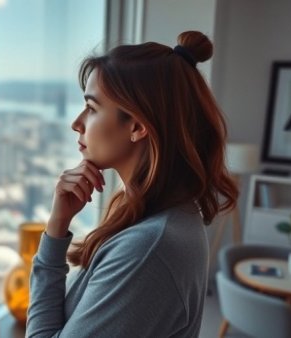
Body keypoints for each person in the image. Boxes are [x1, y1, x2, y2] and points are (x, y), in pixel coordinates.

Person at [26, 31, 239, 338]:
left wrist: (56, 228)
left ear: (138, 126)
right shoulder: (162, 215)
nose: (77, 122)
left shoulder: (147, 250)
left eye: (92, 107)